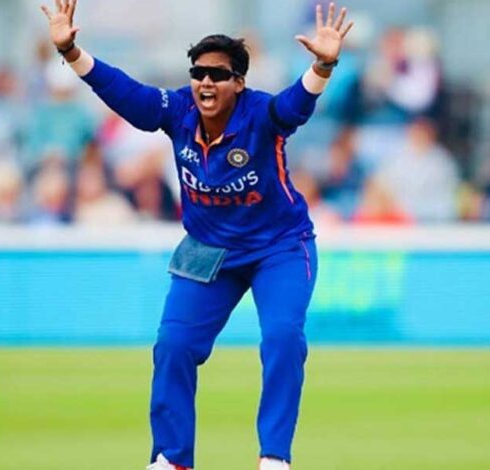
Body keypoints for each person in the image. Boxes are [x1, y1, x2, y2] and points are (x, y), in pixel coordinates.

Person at [41, 2, 353, 469]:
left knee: (283, 338)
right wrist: (70, 50)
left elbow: (296, 104)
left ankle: (274, 458)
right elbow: (124, 93)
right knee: (173, 345)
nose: (206, 82)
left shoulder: (261, 114)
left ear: (239, 83)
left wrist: (323, 66)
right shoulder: (178, 110)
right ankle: (172, 458)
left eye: (218, 75)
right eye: (198, 73)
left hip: (278, 248)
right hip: (209, 250)